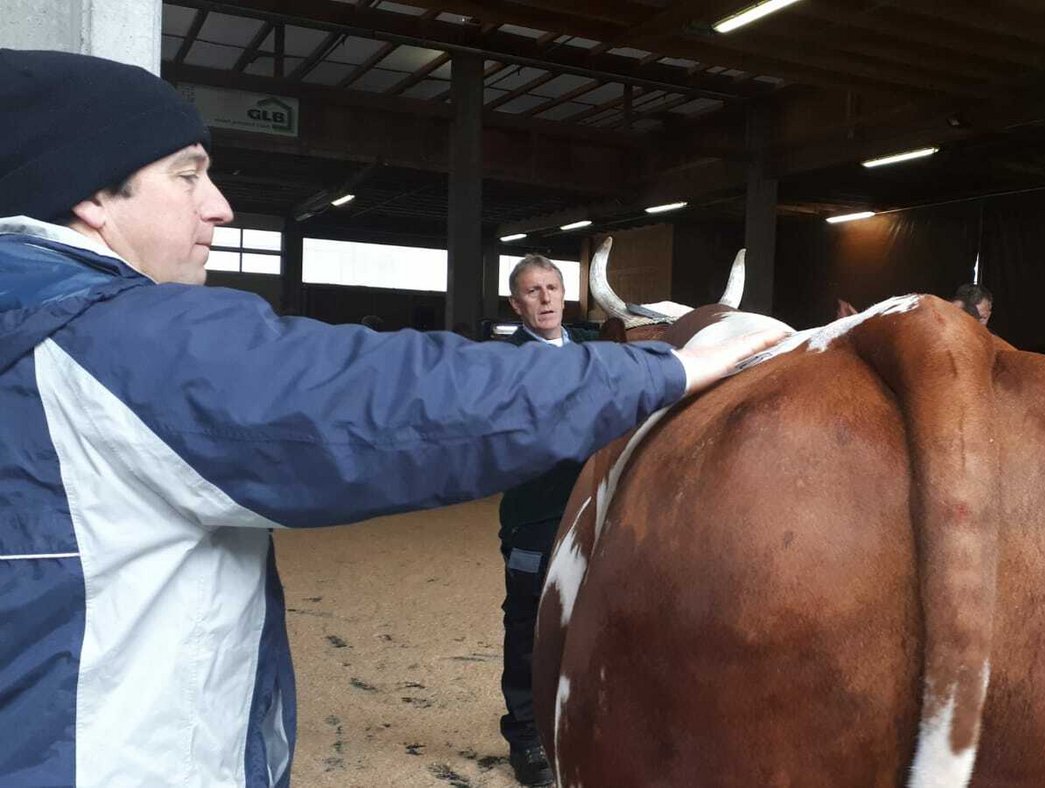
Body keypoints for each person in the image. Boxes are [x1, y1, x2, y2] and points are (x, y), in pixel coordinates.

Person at [0, 50, 782, 787]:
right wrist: (667, 368)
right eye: (187, 175)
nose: (220, 206)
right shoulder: (114, 344)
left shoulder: (29, 331)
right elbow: (397, 398)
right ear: (93, 193)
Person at [495, 255, 596, 785]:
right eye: (533, 291)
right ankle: (526, 737)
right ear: (517, 305)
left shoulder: (589, 354)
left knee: (584, 617)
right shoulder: (505, 364)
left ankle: (570, 717)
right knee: (528, 621)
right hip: (533, 517)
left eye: (553, 287)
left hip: (588, 510)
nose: (546, 298)